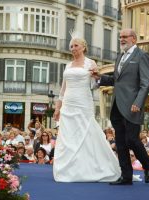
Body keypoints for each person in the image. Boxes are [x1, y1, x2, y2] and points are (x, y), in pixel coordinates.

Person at [52, 34, 121, 182]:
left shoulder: (91, 63)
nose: (73, 48)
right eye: (71, 46)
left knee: (85, 132)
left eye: (76, 45)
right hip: (68, 103)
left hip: (83, 102)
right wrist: (58, 108)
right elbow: (62, 90)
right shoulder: (68, 65)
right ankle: (69, 169)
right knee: (68, 135)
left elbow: (95, 84)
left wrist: (96, 77)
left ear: (83, 47)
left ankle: (92, 168)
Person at [91, 28, 149, 185]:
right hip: (117, 106)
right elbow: (116, 80)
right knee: (120, 143)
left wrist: (138, 103)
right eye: (120, 37)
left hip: (133, 106)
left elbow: (146, 83)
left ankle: (148, 165)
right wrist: (99, 78)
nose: (122, 39)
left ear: (134, 39)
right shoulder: (120, 56)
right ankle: (126, 177)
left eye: (125, 37)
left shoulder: (142, 56)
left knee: (132, 140)